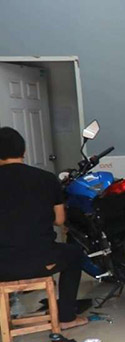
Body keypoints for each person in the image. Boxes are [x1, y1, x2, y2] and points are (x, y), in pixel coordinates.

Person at [0, 127, 88, 330]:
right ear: (24, 151)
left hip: (2, 266)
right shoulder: (47, 179)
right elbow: (59, 220)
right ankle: (66, 317)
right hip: (42, 260)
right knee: (74, 254)